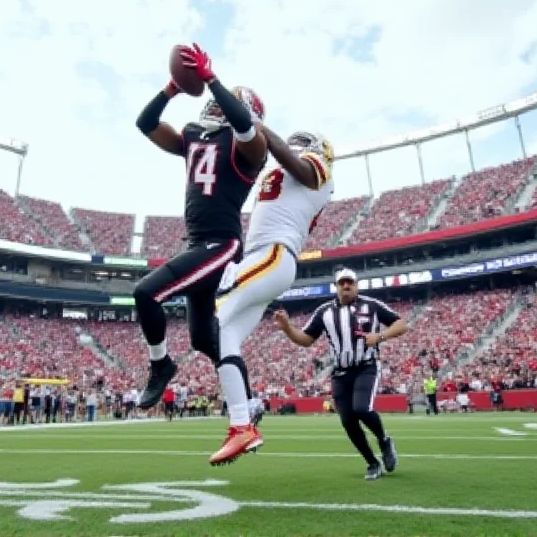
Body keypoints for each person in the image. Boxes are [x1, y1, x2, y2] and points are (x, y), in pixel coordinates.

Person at [133, 43, 268, 409]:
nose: (212, 105)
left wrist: (211, 79)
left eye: (221, 102)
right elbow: (145, 124)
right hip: (196, 244)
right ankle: (250, 400)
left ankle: (160, 365)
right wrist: (171, 89)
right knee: (204, 339)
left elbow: (242, 125)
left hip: (222, 244)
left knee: (146, 293)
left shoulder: (252, 148)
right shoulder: (194, 137)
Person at [208, 127, 334, 465]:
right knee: (224, 335)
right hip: (259, 257)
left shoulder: (318, 171)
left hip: (274, 254)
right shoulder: (278, 168)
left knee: (213, 318)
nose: (297, 144)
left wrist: (257, 127)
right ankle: (242, 420)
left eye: (305, 142)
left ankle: (244, 413)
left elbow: (301, 168)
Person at [273, 268, 408, 480]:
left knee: (362, 409)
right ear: (336, 287)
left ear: (356, 285)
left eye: (350, 282)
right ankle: (372, 463)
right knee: (347, 421)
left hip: (366, 366)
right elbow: (307, 339)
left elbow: (400, 324)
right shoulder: (324, 311)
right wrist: (288, 328)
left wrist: (380, 336)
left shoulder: (371, 305)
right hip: (340, 372)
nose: (346, 286)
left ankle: (384, 440)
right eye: (342, 283)